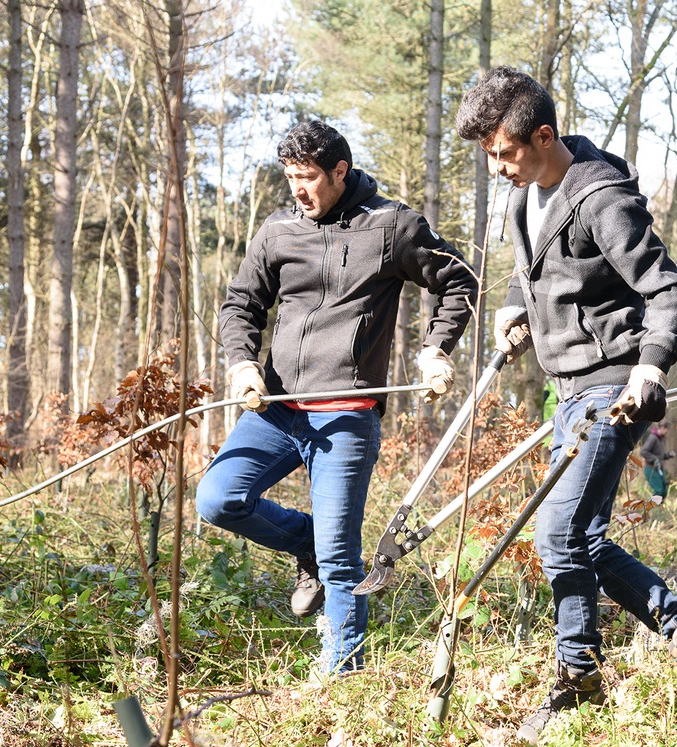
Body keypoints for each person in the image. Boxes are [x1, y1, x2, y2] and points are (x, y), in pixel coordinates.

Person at [456, 66, 677, 745]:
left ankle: (580, 675)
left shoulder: (601, 198)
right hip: (567, 389)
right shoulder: (526, 196)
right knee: (579, 536)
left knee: (556, 534)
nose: (496, 167)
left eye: (503, 152)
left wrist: (650, 369)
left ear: (542, 134)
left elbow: (668, 289)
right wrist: (512, 309)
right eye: (488, 156)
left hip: (612, 385)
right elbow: (527, 270)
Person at [195, 120, 478, 676]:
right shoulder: (278, 230)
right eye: (290, 178)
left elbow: (459, 280)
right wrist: (241, 363)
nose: (297, 190)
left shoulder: (392, 226)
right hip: (275, 409)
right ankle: (308, 545)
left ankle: (342, 670)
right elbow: (240, 306)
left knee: (341, 554)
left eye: (307, 178)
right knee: (218, 499)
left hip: (347, 413)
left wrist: (436, 350)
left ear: (339, 172)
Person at [639, 420, 675, 499]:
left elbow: (660, 456)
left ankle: (659, 508)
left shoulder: (661, 439)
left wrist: (668, 455)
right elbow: (643, 451)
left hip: (659, 468)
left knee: (664, 490)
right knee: (659, 490)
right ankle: (652, 508)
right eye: (666, 429)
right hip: (651, 468)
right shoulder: (653, 437)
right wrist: (654, 459)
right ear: (662, 427)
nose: (667, 431)